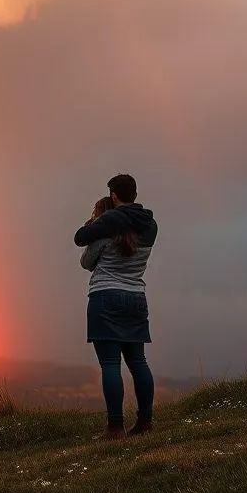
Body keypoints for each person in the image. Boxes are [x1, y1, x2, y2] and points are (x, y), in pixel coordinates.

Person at [73, 174, 158, 440]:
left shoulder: (109, 223)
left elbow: (80, 238)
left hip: (106, 295)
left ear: (113, 195)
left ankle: (115, 427)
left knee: (110, 363)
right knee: (138, 361)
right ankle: (145, 422)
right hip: (136, 296)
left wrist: (96, 219)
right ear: (134, 192)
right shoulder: (150, 225)